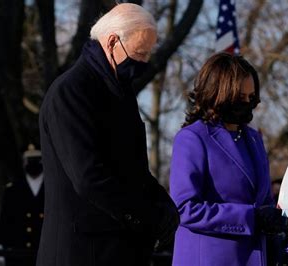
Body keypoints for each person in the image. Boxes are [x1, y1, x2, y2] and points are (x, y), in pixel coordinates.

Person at [37, 4, 179, 266]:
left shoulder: (121, 95)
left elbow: (132, 167)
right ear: (113, 41)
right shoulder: (70, 92)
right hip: (81, 252)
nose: (143, 64)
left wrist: (165, 207)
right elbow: (88, 177)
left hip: (118, 249)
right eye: (139, 54)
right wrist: (145, 215)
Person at [169, 53, 286, 266]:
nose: (247, 104)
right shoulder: (192, 139)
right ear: (218, 94)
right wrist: (250, 217)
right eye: (240, 98)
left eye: (251, 98)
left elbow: (264, 202)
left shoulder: (254, 138)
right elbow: (185, 208)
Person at [0, 144, 44, 266]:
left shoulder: (53, 188)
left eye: (36, 159)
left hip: (46, 252)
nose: (32, 163)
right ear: (24, 162)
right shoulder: (12, 191)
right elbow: (5, 224)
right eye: (29, 160)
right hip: (19, 255)